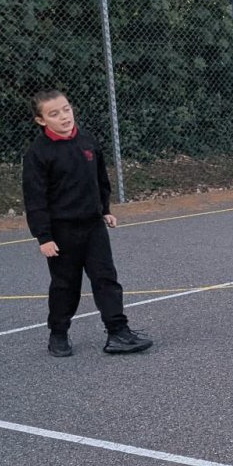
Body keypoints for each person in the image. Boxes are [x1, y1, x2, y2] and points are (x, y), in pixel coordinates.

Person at [21, 89, 152, 357]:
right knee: (65, 285)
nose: (64, 117)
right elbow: (35, 199)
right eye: (54, 114)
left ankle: (117, 332)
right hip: (62, 232)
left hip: (93, 226)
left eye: (66, 109)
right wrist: (44, 237)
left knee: (106, 279)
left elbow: (99, 178)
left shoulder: (87, 141)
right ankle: (58, 333)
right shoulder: (38, 154)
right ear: (41, 120)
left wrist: (105, 209)